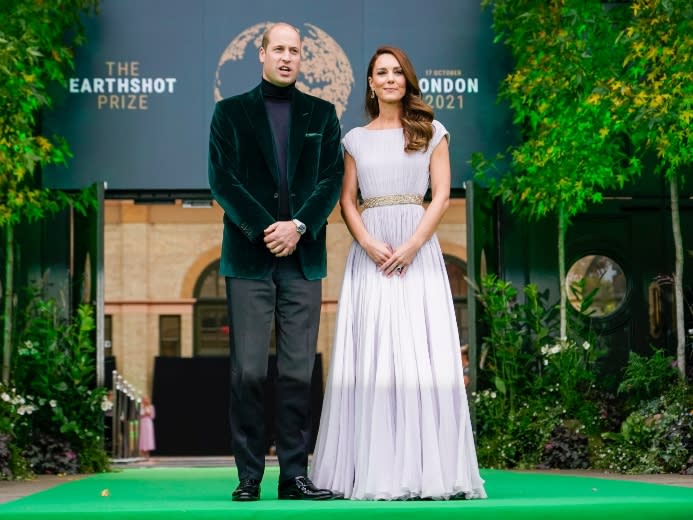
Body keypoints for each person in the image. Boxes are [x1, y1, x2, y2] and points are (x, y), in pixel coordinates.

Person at [310, 46, 487, 500]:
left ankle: (429, 472)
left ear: (407, 80)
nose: (390, 79)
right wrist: (368, 243)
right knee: (373, 353)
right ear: (370, 83)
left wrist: (410, 247)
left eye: (396, 72)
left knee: (417, 354)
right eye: (381, 73)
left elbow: (442, 196)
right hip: (369, 253)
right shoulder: (353, 139)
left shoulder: (431, 131)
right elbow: (347, 199)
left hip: (418, 250)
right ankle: (371, 470)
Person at [208, 22, 344, 502]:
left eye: (296, 50)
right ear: (261, 54)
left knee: (296, 372)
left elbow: (330, 181)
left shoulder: (323, 114)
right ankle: (248, 477)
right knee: (247, 371)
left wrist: (299, 226)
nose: (287, 57)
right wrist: (269, 228)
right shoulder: (229, 113)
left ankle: (294, 476)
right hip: (249, 258)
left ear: (302, 58)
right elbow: (223, 181)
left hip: (303, 260)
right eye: (279, 49)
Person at [138, 395, 155, 459]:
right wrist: (144, 413)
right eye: (144, 399)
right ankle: (142, 452)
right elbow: (139, 415)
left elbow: (153, 416)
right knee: (142, 437)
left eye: (146, 399)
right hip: (142, 422)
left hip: (148, 423)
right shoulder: (141, 407)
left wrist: (148, 414)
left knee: (148, 437)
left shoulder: (151, 407)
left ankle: (147, 453)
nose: (145, 400)